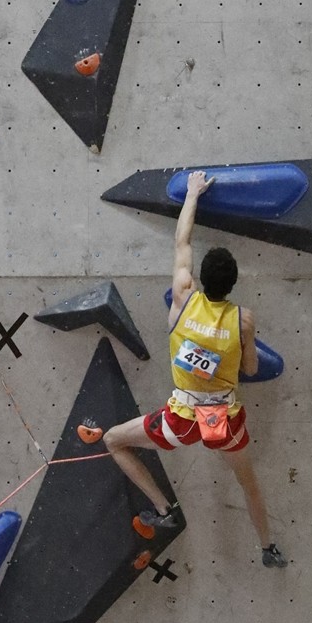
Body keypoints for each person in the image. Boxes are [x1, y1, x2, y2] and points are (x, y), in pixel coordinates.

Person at [104, 170, 287, 568]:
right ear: (234, 284)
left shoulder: (183, 299)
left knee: (113, 441)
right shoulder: (243, 320)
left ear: (201, 279)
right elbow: (252, 368)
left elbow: (181, 241)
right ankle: (268, 548)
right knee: (248, 483)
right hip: (221, 417)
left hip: (181, 417)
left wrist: (192, 194)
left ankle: (164, 509)